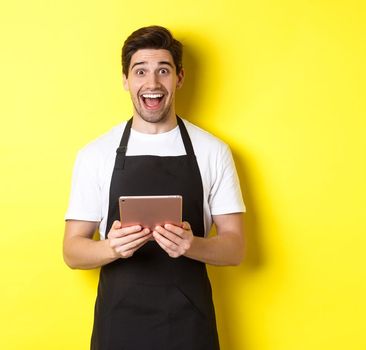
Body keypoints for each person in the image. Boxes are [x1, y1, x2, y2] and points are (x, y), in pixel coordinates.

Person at [63, 25, 245, 350]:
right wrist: (112, 248)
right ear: (125, 80)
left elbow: (235, 247)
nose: (152, 83)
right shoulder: (95, 154)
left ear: (180, 77)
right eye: (140, 71)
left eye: (163, 70)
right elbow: (72, 251)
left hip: (190, 326)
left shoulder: (212, 151)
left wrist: (191, 245)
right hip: (118, 325)